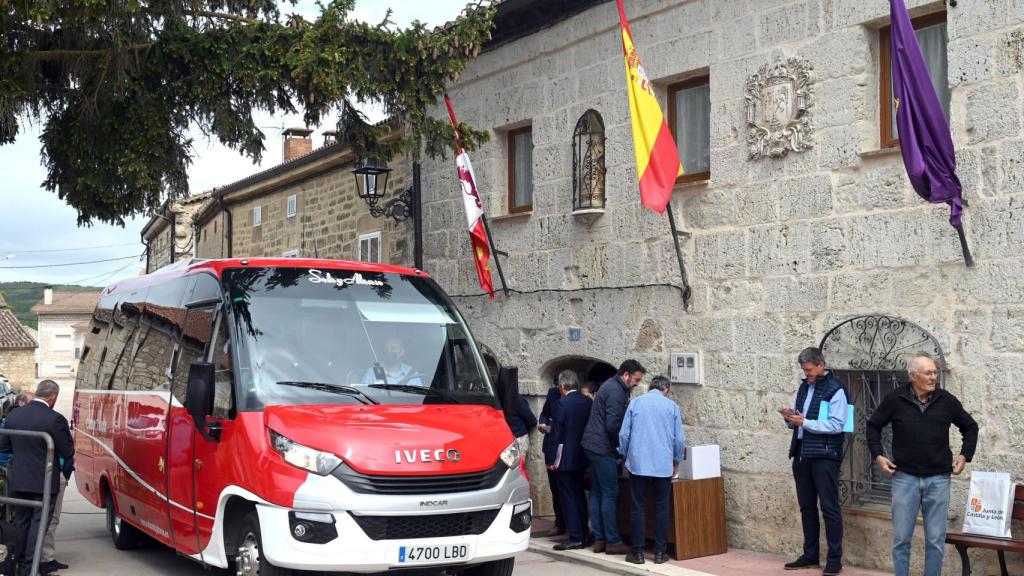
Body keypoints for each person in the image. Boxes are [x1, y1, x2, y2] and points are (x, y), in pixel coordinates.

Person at [866, 353, 978, 576]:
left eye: (935, 372)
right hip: (904, 479)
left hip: (938, 480)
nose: (934, 377)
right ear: (913, 375)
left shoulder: (946, 400)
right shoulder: (895, 399)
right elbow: (873, 426)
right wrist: (878, 455)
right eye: (929, 373)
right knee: (901, 540)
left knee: (935, 541)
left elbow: (970, 427)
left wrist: (964, 456)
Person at [777, 347, 847, 575]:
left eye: (809, 369)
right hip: (802, 454)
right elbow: (801, 422)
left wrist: (804, 422)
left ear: (820, 365)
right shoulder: (804, 387)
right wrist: (791, 418)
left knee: (829, 508)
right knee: (807, 507)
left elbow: (837, 425)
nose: (806, 373)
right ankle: (810, 555)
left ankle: (834, 559)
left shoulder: (836, 390)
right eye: (804, 370)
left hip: (825, 456)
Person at [0, 380, 74, 576]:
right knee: (39, 525)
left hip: (20, 479)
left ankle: (19, 562)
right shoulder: (55, 419)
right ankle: (30, 569)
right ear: (53, 398)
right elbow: (67, 451)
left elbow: (3, 446)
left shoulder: (14, 414)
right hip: (44, 482)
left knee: (21, 523)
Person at [581, 359, 645, 555]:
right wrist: (623, 446)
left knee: (598, 493)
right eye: (635, 379)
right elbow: (613, 425)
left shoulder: (609, 385)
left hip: (591, 445)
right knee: (609, 493)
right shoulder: (617, 392)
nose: (636, 383)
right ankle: (613, 541)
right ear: (625, 375)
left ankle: (599, 539)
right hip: (602, 448)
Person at [618, 376, 684, 565]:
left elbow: (624, 434)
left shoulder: (636, 403)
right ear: (666, 390)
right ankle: (659, 553)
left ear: (650, 388)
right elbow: (678, 440)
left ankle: (637, 553)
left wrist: (624, 453)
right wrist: (676, 461)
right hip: (662, 464)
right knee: (662, 508)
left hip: (638, 464)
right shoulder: (672, 407)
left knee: (637, 507)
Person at [550, 371, 593, 551]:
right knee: (579, 496)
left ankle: (575, 536)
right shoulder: (587, 402)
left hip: (565, 458)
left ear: (562, 386)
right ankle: (584, 533)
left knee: (568, 497)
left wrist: (552, 459)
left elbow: (556, 433)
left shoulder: (562, 403)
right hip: (582, 455)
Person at [539, 375, 568, 537]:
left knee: (568, 489)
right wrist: (543, 423)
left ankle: (571, 524)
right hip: (551, 446)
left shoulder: (575, 399)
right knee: (555, 488)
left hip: (566, 448)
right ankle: (559, 523)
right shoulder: (552, 393)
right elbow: (545, 413)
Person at [506, 387, 537, 458]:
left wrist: (523, 430)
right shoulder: (514, 398)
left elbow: (531, 420)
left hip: (518, 437)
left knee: (518, 466)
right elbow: (531, 420)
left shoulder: (516, 399)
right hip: (513, 437)